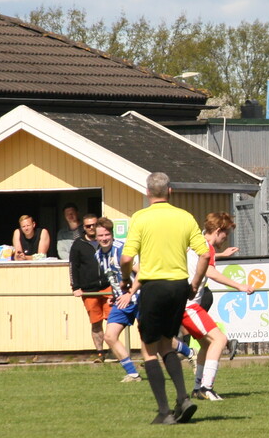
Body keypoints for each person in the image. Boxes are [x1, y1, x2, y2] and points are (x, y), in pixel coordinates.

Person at [121, 172, 210, 425]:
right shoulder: (185, 217)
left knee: (148, 349)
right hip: (179, 286)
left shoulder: (140, 218)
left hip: (154, 286)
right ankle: (183, 399)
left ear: (147, 192)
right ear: (170, 191)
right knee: (167, 344)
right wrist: (194, 285)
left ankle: (164, 412)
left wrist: (125, 280)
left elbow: (126, 258)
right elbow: (205, 255)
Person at [171, 212, 255, 400]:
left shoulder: (195, 241)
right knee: (220, 340)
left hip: (183, 303)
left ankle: (197, 388)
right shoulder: (205, 247)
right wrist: (239, 286)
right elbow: (211, 272)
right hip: (189, 306)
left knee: (206, 344)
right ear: (217, 231)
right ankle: (206, 388)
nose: (226, 238)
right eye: (226, 233)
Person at [95, 218, 147, 382]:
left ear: (112, 234)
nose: (104, 238)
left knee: (154, 338)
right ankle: (133, 374)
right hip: (122, 301)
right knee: (110, 336)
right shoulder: (98, 255)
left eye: (107, 234)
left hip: (139, 297)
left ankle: (189, 353)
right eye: (100, 235)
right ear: (96, 237)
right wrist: (114, 295)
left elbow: (142, 273)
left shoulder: (122, 249)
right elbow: (113, 278)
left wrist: (129, 294)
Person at [68, 213, 111, 362]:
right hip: (89, 290)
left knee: (113, 320)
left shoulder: (105, 240)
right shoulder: (78, 244)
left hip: (108, 287)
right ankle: (100, 353)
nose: (91, 228)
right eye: (88, 226)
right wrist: (75, 287)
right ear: (84, 227)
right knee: (96, 322)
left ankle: (115, 349)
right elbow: (73, 267)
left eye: (94, 224)